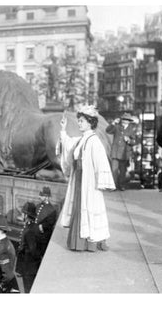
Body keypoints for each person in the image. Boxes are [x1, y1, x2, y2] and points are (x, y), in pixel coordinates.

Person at [57, 105, 115, 252]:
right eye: (79, 121)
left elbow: (101, 162)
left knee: (90, 208)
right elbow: (69, 146)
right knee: (79, 207)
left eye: (82, 121)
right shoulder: (82, 139)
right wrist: (63, 130)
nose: (79, 123)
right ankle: (79, 242)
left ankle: (91, 242)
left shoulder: (94, 141)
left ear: (90, 122)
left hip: (89, 182)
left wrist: (101, 181)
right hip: (79, 180)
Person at [105, 112, 137, 191]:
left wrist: (129, 140)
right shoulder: (117, 126)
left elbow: (134, 142)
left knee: (123, 171)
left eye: (126, 120)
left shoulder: (131, 129)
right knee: (114, 170)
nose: (124, 121)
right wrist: (113, 123)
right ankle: (113, 186)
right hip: (115, 152)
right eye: (123, 119)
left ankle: (122, 185)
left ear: (129, 121)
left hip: (124, 154)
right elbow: (108, 131)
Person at [16, 202, 41, 293]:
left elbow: (32, 250)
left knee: (28, 289)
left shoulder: (29, 230)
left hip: (29, 267)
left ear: (26, 215)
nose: (21, 214)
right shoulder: (32, 226)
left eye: (23, 213)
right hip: (30, 266)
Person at [35, 187, 57, 258]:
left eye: (41, 196)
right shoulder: (38, 206)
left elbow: (51, 222)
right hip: (36, 234)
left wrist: (42, 226)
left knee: (42, 254)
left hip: (44, 236)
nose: (39, 197)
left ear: (46, 197)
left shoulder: (51, 209)